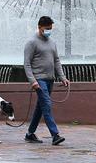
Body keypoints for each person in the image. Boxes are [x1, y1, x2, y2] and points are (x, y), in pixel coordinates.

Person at [23, 16, 70, 146]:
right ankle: (55, 135)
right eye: (47, 28)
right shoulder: (31, 42)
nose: (49, 31)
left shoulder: (52, 42)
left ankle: (30, 134)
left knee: (41, 107)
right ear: (39, 27)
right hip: (39, 80)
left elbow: (56, 61)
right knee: (47, 106)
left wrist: (62, 77)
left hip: (50, 80)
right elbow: (26, 64)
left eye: (50, 28)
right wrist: (33, 81)